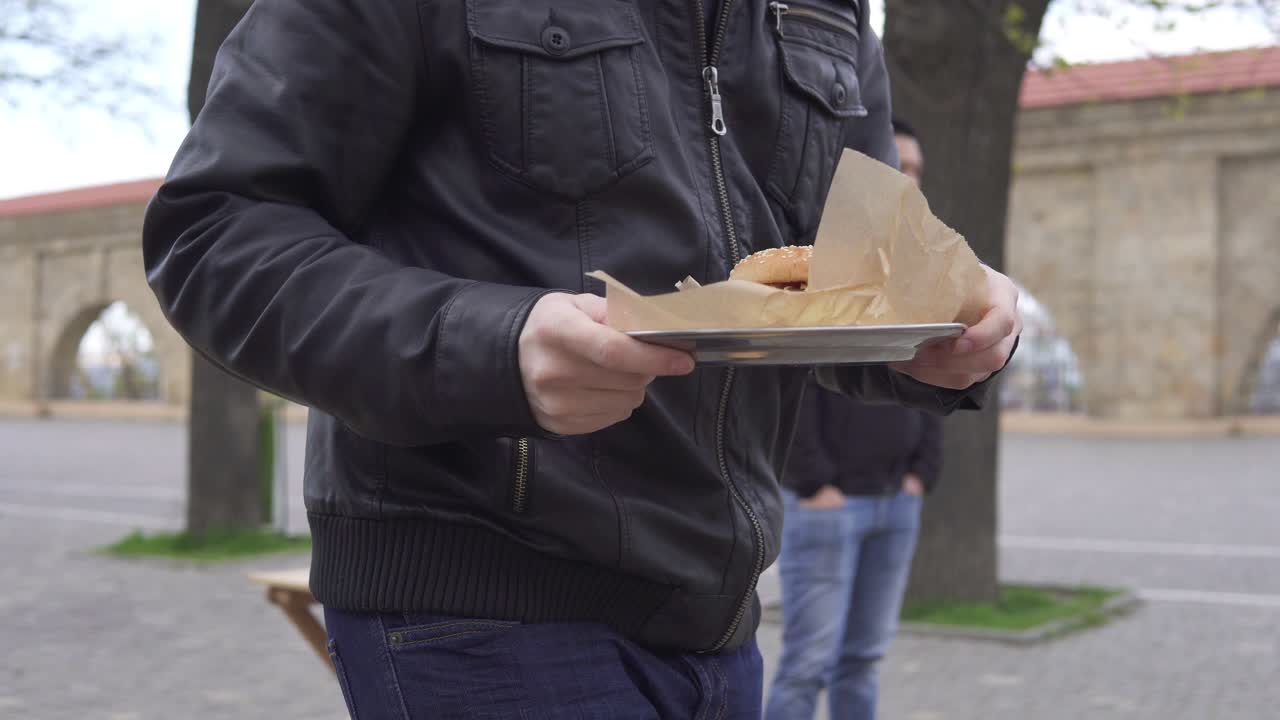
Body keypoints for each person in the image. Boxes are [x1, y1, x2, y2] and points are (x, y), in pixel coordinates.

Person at [142, 2, 1020, 717]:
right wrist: (492, 346)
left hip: (721, 618)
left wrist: (941, 332)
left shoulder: (826, 12)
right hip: (479, 605)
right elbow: (216, 233)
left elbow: (846, 277)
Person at [765, 118, 940, 720]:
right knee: (806, 666)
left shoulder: (920, 271)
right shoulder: (816, 263)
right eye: (898, 165)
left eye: (917, 170)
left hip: (898, 501)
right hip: (827, 506)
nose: (910, 180)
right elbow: (790, 378)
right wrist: (814, 485)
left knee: (863, 660)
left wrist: (922, 472)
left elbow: (934, 373)